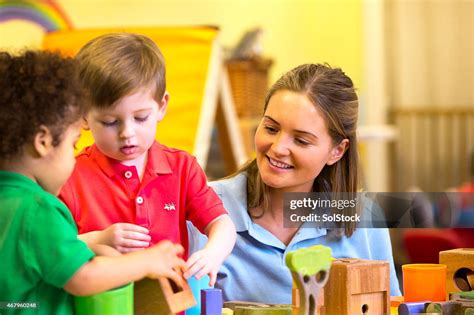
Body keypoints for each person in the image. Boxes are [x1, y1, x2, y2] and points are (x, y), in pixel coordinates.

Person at [188, 63, 402, 303]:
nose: (278, 148)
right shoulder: (200, 206)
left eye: (301, 140)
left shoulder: (366, 218)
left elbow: (390, 307)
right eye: (270, 128)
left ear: (337, 151)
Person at [0, 50, 187, 314]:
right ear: (42, 143)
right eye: (73, 143)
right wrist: (147, 261)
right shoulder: (38, 208)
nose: (74, 158)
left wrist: (101, 249)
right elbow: (83, 277)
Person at [58, 33, 236, 286]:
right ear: (83, 116)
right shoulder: (70, 174)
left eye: (140, 118)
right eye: (110, 122)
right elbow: (51, 248)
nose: (127, 133)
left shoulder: (182, 168)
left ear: (162, 107)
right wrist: (98, 239)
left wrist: (212, 254)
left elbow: (221, 223)